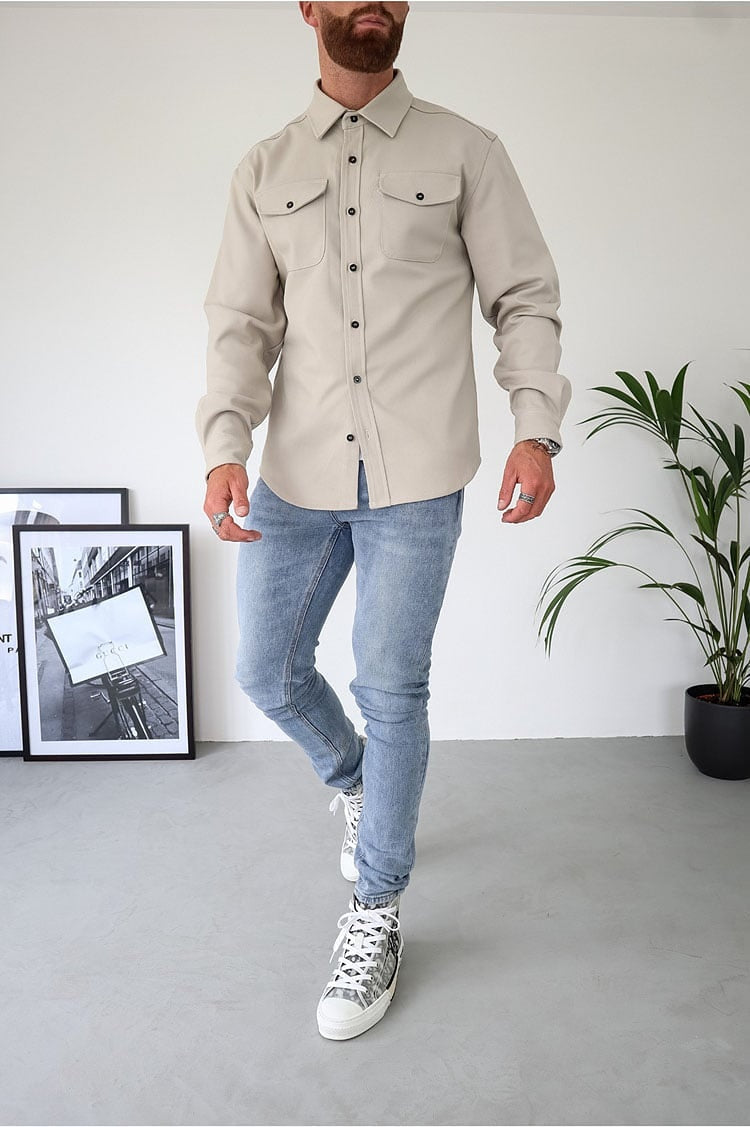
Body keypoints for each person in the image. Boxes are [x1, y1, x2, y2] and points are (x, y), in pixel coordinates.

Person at [195, 1, 572, 1041]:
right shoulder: (265, 169)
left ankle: (377, 906)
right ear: (308, 8)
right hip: (296, 474)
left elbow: (525, 297)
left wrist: (536, 427)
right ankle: (358, 779)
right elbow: (240, 326)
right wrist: (224, 446)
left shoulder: (468, 152)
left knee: (391, 686)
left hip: (420, 476)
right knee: (265, 669)